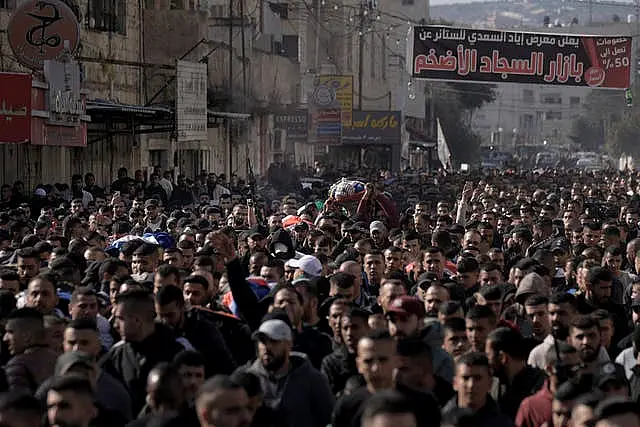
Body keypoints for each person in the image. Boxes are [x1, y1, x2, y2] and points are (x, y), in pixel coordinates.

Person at [238, 318, 334, 427]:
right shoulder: (247, 378)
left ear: (289, 344)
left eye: (274, 341)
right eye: (262, 341)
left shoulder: (313, 379)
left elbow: (328, 420)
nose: (266, 347)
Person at [100, 290, 185, 413]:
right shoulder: (116, 354)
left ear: (137, 321)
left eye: (120, 319)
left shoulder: (176, 353)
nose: (115, 325)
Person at [485, 327, 546, 419]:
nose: (486, 363)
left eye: (488, 356)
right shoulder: (493, 386)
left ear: (502, 357)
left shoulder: (540, 386)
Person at [4, 307, 58, 392]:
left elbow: (19, 402)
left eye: (10, 332)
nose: (5, 338)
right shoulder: (59, 359)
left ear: (27, 336)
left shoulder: (17, 365)